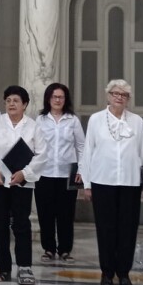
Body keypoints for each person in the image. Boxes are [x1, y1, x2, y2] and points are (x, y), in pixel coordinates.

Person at [80, 79, 143, 285]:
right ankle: (106, 272)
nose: (119, 97)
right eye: (115, 93)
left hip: (130, 182)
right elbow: (88, 151)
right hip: (103, 181)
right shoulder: (96, 120)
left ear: (128, 99)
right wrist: (87, 182)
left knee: (128, 229)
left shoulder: (137, 121)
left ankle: (124, 273)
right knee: (105, 229)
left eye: (123, 95)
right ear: (108, 96)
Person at [0, 85, 47, 285]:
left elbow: (42, 155)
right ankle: (3, 269)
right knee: (0, 225)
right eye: (8, 100)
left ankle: (25, 268)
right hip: (0, 182)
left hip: (22, 183)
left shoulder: (33, 126)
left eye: (16, 100)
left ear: (25, 104)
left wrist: (24, 173)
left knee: (21, 225)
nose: (11, 104)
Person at [34, 83, 85, 263]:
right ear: (48, 99)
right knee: (45, 213)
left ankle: (65, 249)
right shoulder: (40, 120)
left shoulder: (73, 120)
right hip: (44, 173)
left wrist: (81, 170)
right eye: (54, 97)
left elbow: (81, 146)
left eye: (61, 97)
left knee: (66, 214)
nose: (57, 100)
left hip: (66, 174)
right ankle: (48, 248)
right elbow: (34, 146)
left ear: (66, 100)